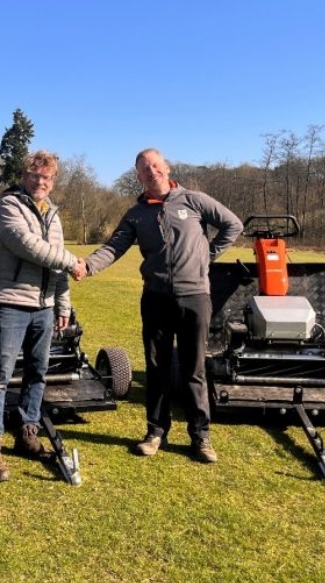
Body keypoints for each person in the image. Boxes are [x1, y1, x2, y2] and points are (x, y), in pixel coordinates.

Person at [75, 148, 242, 463]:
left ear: (166, 167)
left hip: (196, 297)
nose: (151, 171)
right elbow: (114, 247)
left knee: (194, 369)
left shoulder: (194, 200)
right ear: (138, 177)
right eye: (144, 168)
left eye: (155, 164)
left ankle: (201, 437)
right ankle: (155, 432)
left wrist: (207, 255)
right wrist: (88, 265)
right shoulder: (136, 214)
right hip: (155, 297)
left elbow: (232, 225)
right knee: (157, 368)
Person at [0, 150, 82, 482]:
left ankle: (28, 433)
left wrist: (63, 305)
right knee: (0, 376)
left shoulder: (53, 213)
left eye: (47, 177)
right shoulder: (8, 206)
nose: (41, 182)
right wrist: (72, 262)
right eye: (35, 175)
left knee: (38, 373)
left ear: (53, 181)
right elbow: (28, 245)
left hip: (44, 306)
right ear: (25, 177)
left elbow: (58, 262)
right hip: (11, 302)